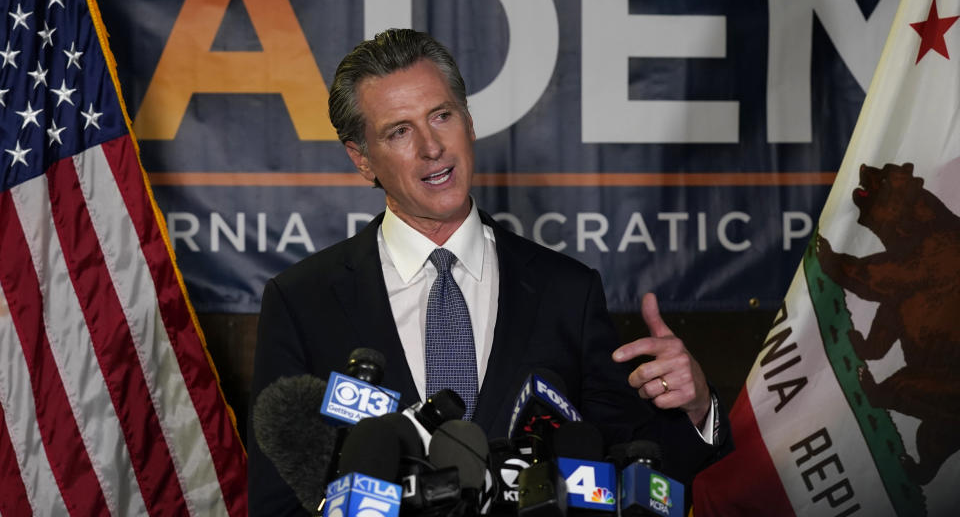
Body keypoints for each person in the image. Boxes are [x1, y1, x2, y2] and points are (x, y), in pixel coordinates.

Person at [248, 29, 731, 515]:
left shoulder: (568, 292)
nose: (432, 147)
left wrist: (697, 408)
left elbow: (635, 476)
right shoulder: (302, 302)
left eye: (442, 116)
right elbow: (278, 500)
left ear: (469, 122)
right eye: (400, 131)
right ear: (362, 159)